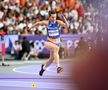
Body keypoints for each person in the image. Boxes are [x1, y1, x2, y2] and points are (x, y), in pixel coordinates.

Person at [30, 10, 69, 76]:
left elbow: (67, 26)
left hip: (57, 43)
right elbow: (39, 23)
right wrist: (31, 27)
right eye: (52, 17)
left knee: (51, 59)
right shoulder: (47, 23)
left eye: (55, 17)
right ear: (49, 17)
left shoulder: (58, 22)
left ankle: (43, 69)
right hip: (49, 42)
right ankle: (58, 67)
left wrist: (64, 19)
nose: (54, 19)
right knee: (56, 49)